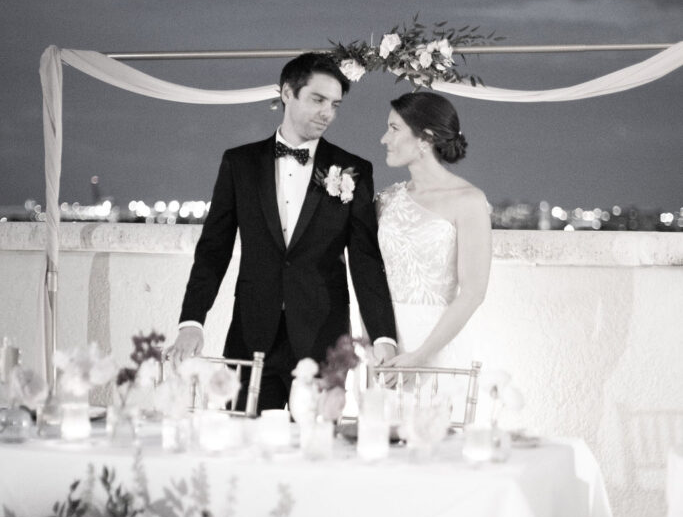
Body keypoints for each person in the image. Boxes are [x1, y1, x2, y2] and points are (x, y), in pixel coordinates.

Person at [167, 52, 397, 411]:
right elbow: (214, 248)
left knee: (317, 453)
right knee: (248, 448)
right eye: (317, 100)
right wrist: (192, 320)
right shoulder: (239, 164)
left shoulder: (354, 170)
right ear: (287, 93)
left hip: (325, 340)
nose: (327, 113)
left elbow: (366, 260)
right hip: (251, 335)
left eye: (334, 104)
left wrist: (383, 335)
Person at [376, 91, 491, 375]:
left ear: (425, 138)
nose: (384, 139)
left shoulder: (469, 200)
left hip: (436, 347)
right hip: (382, 345)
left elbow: (473, 292)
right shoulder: (386, 200)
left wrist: (420, 355)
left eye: (394, 128)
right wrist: (379, 342)